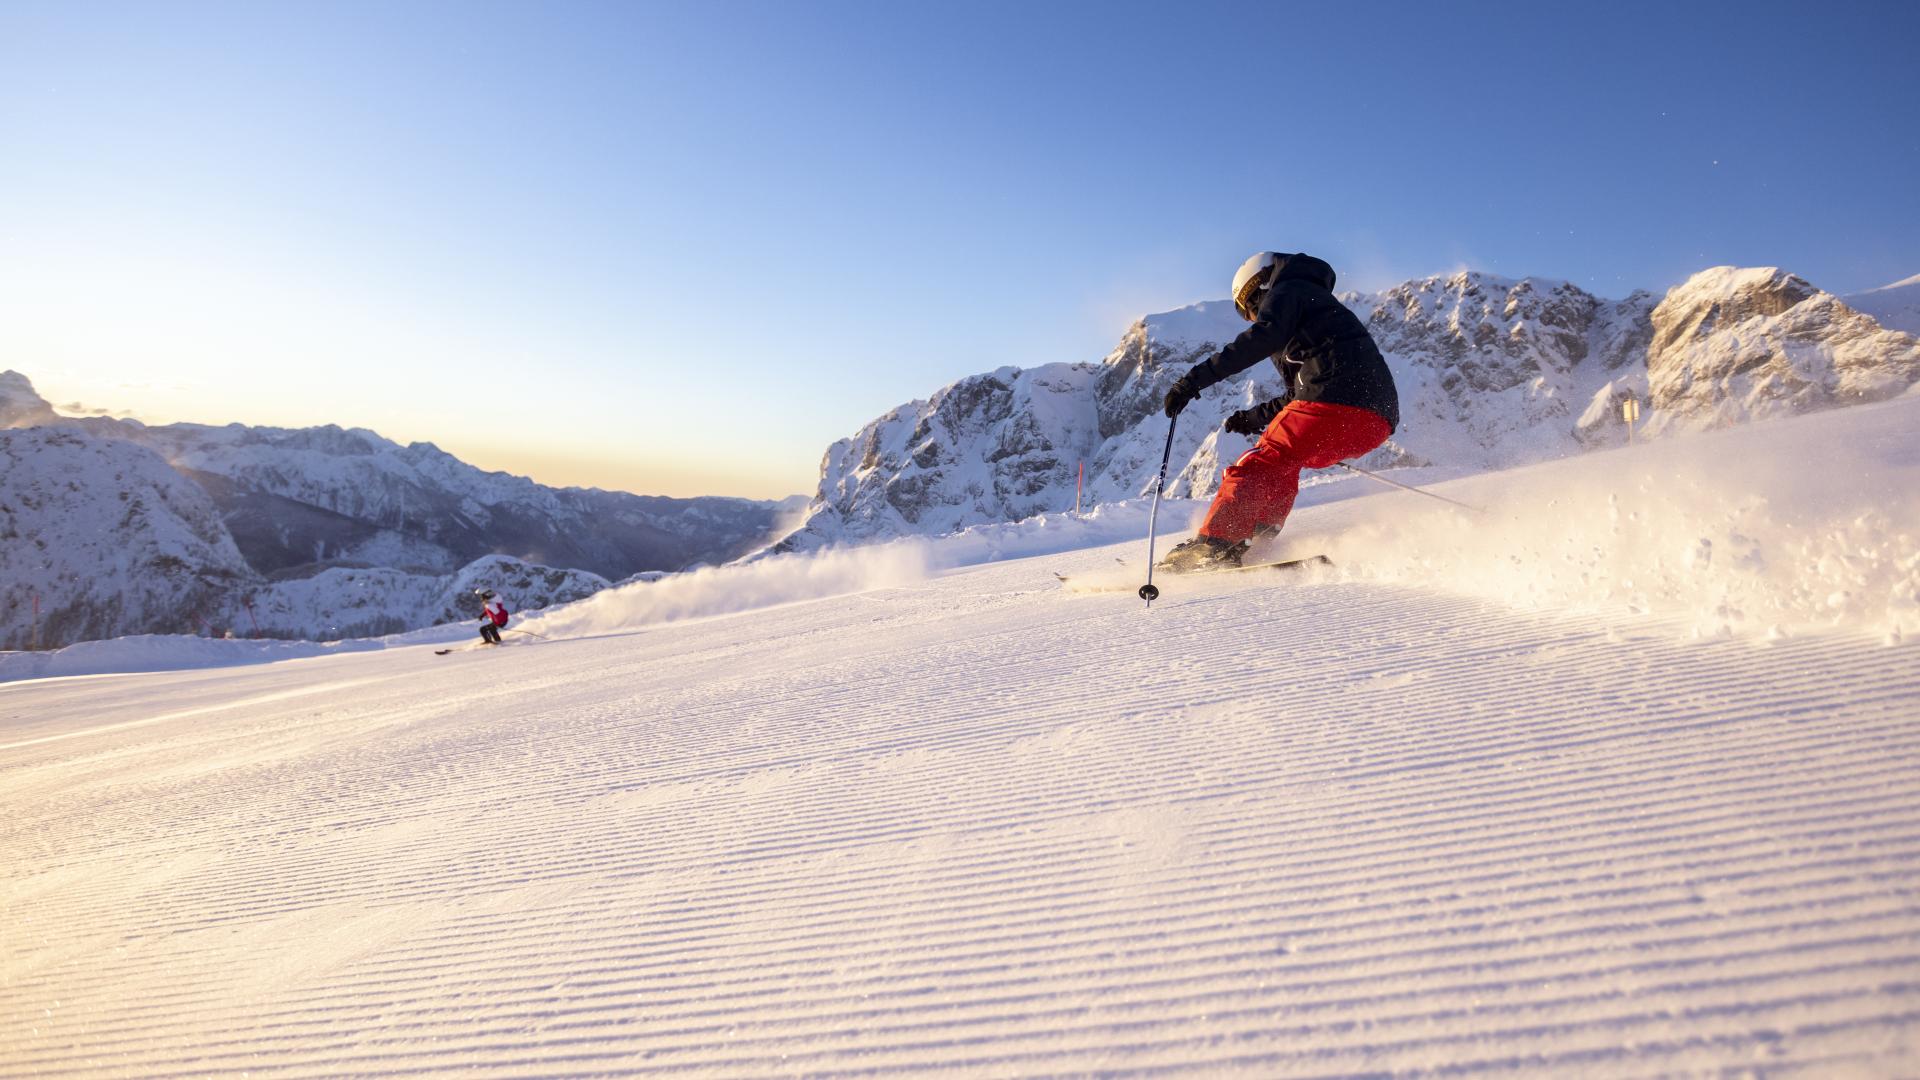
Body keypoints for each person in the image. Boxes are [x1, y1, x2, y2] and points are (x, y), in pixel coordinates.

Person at [1158, 251, 1400, 571]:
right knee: (1283, 462)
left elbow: (1261, 339)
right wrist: (1252, 418)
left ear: (1259, 287)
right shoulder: (1313, 308)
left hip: (1335, 401)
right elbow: (1296, 394)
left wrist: (1192, 382)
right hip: (1375, 422)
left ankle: (1218, 544)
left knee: (1262, 460)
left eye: (1252, 309)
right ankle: (1256, 536)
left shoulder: (1289, 291)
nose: (1255, 317)